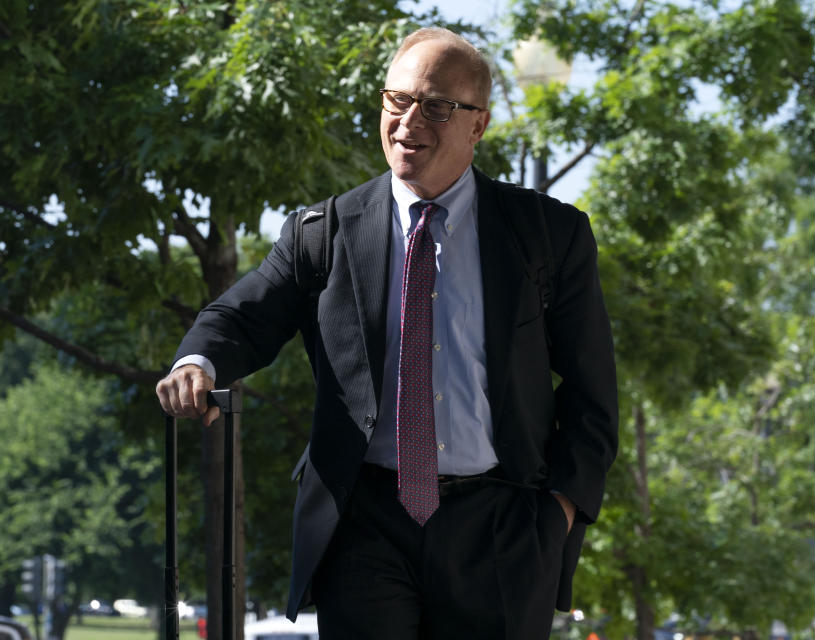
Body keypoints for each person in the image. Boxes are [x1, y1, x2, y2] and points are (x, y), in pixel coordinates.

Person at [156, 26, 618, 640]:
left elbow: (593, 395)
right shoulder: (323, 232)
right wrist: (199, 363)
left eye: (436, 106)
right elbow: (242, 313)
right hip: (366, 523)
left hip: (503, 526)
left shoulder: (548, 235)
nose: (408, 121)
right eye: (396, 100)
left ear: (477, 125)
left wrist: (555, 517)